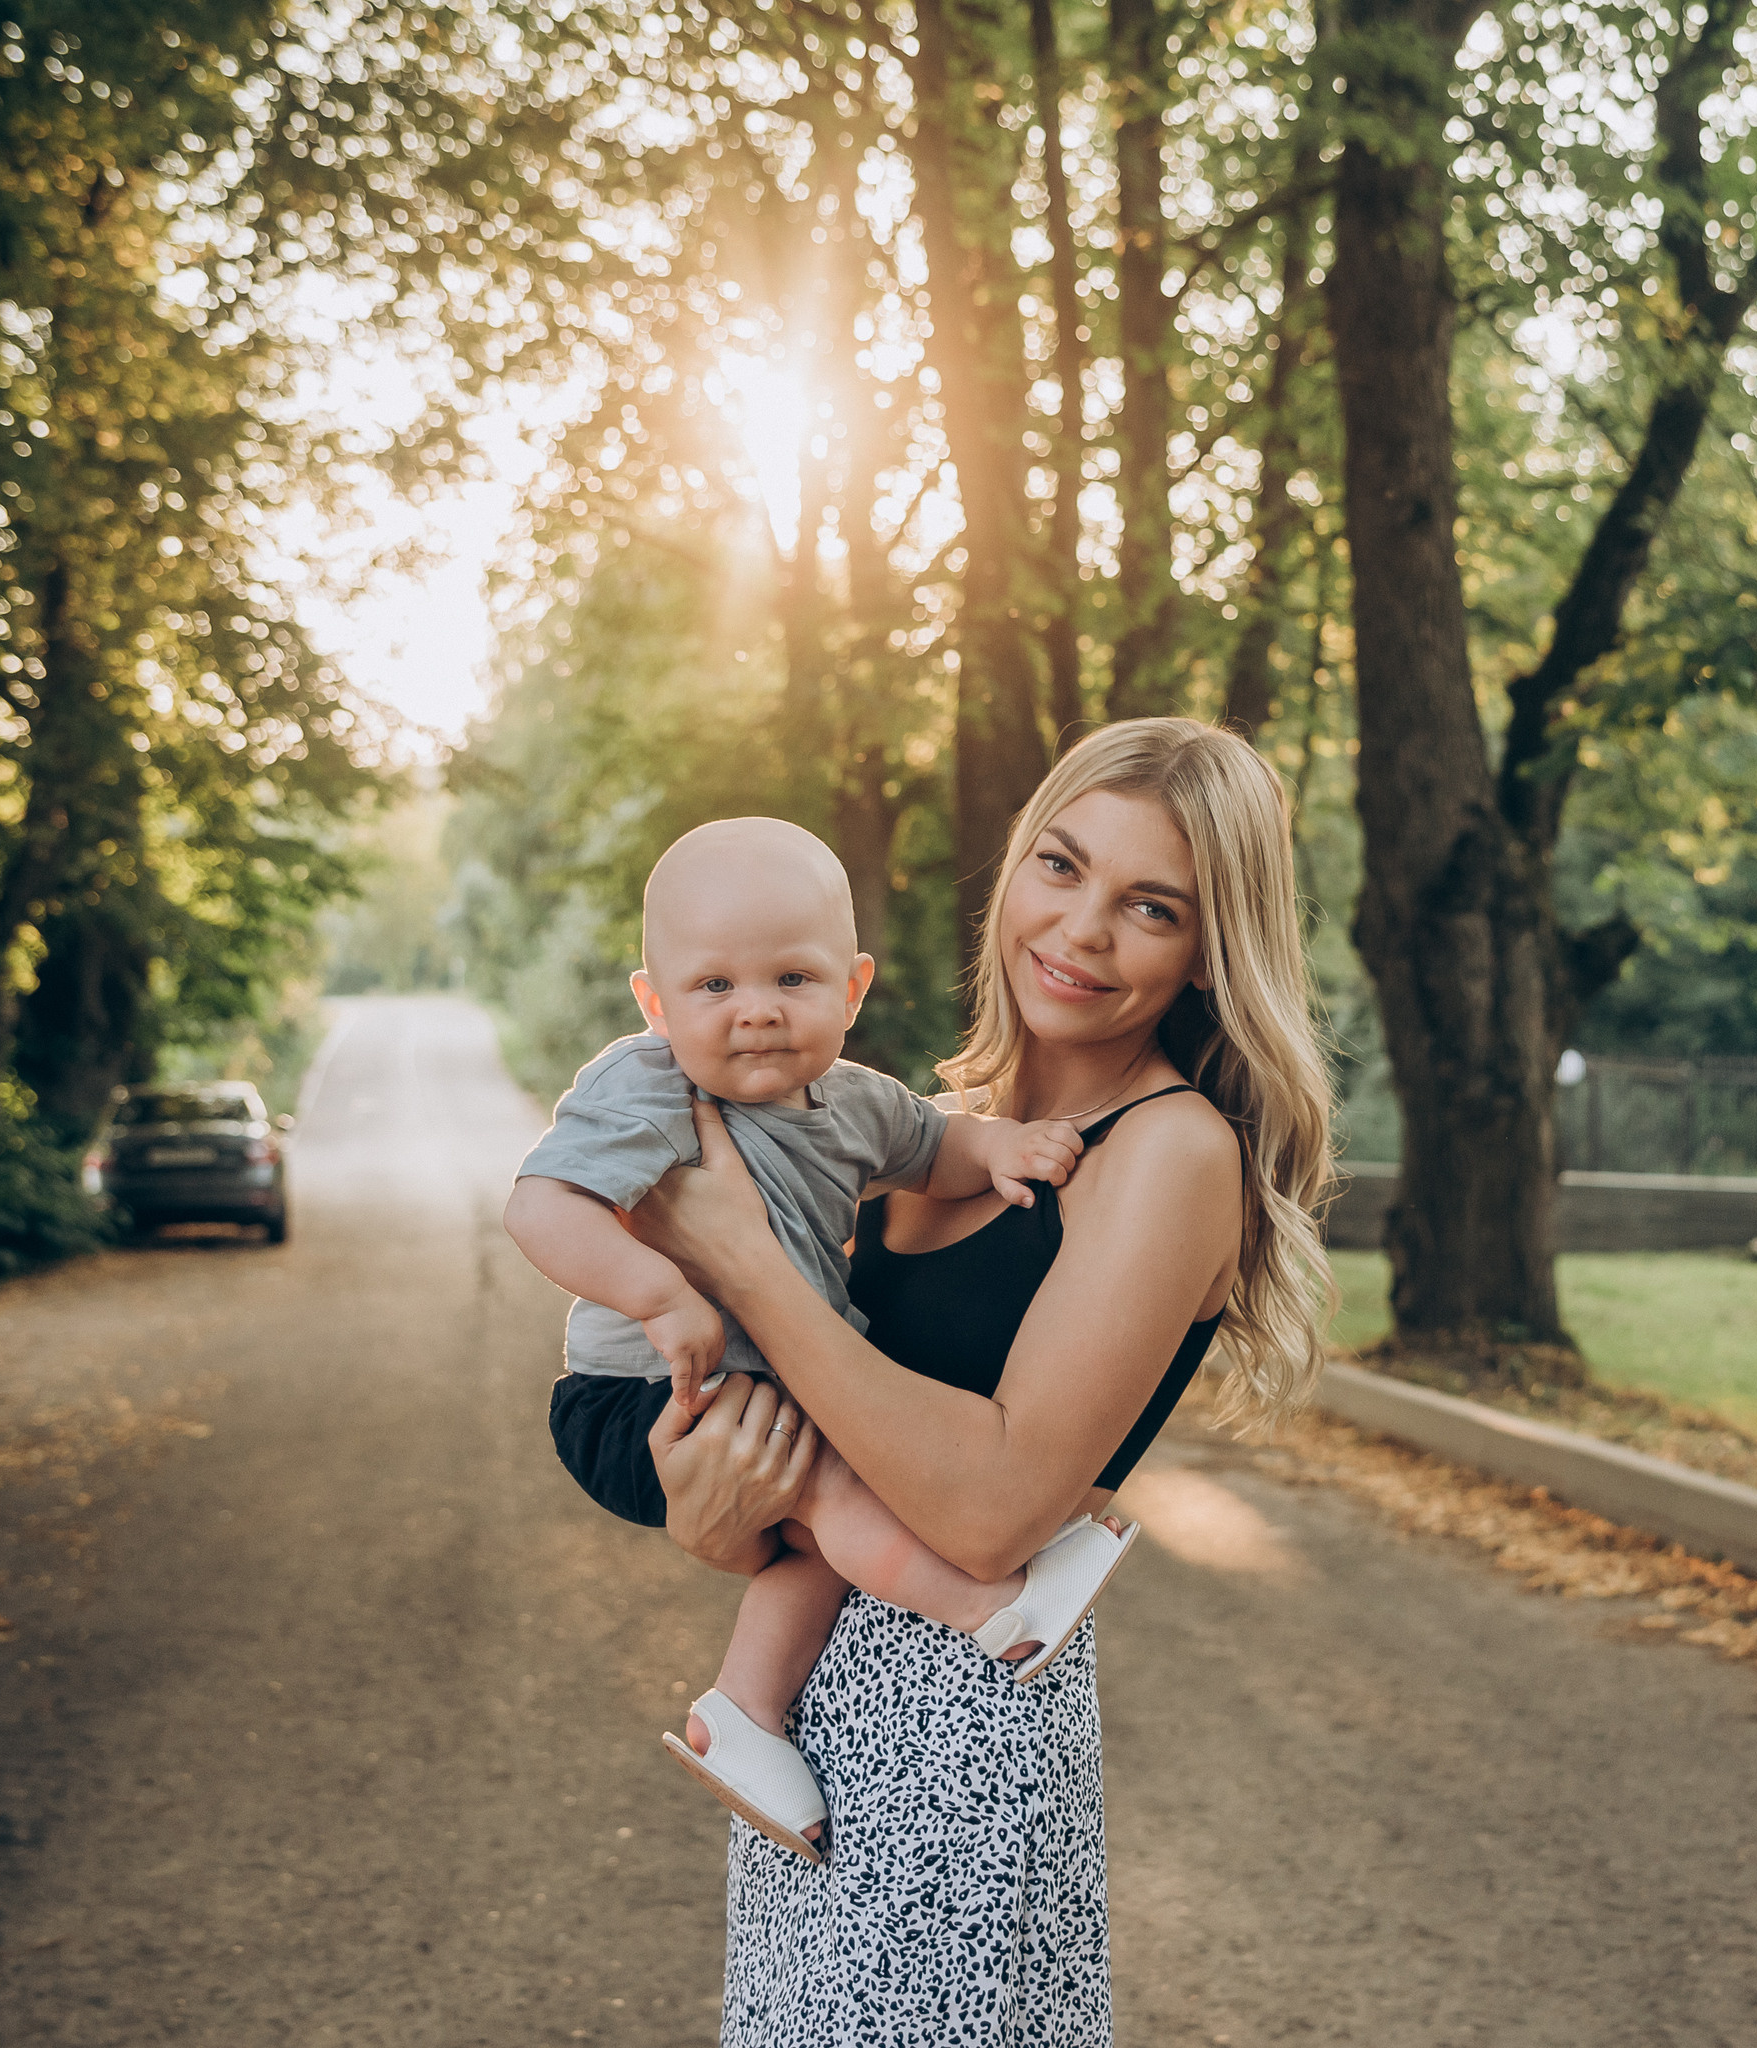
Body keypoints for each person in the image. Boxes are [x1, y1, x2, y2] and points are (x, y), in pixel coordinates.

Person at [608, 717, 1338, 2043]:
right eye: (1060, 867)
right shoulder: (948, 1121)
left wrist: (743, 1259)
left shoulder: (1168, 1151)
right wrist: (710, 1508)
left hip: (961, 1733)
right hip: (813, 1714)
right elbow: (809, 1455)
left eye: (1150, 906)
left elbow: (994, 1513)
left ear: (1208, 947)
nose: (1083, 929)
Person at [505, 817, 1138, 1860]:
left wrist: (1005, 1146)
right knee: (844, 1490)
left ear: (851, 987)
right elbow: (540, 1209)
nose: (754, 1008)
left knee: (823, 1534)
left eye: (791, 978)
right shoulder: (647, 1082)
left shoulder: (852, 1101)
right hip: (638, 1393)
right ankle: (995, 1607)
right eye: (713, 986)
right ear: (654, 1001)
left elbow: (937, 1145)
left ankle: (744, 1712)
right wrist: (658, 1294)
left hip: (759, 1388)